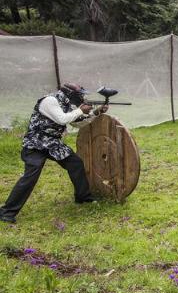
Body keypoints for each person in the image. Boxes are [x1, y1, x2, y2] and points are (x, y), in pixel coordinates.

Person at [0, 84, 108, 224]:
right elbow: (62, 119)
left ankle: (83, 197)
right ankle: (6, 212)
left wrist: (96, 113)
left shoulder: (66, 103)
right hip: (36, 143)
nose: (82, 97)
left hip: (52, 143)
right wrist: (80, 110)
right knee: (31, 175)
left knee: (75, 163)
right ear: (70, 93)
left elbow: (75, 123)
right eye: (80, 95)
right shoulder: (50, 100)